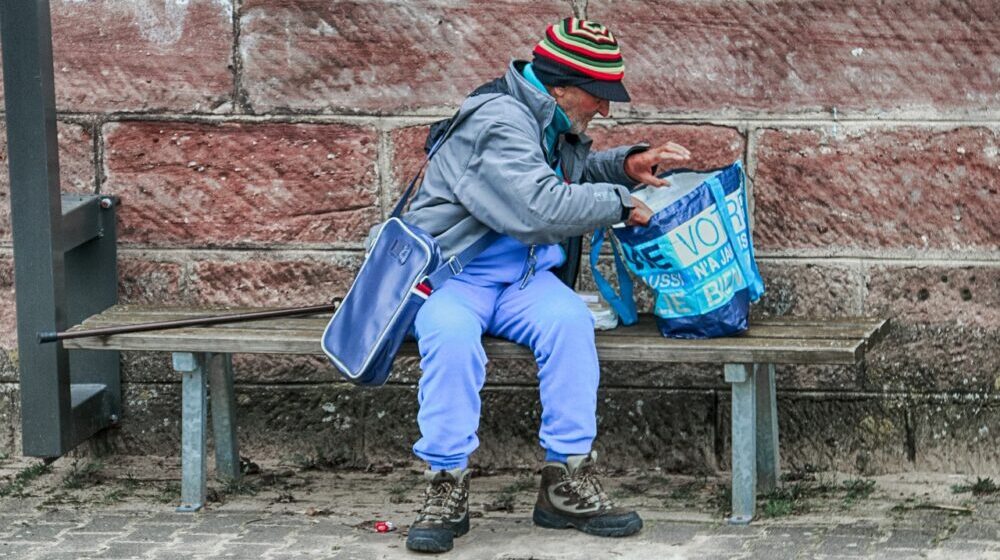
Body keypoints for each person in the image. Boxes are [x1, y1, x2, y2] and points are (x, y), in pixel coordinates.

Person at [401, 17, 691, 554]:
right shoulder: (499, 120)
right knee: (450, 338)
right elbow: (539, 206)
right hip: (456, 276)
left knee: (570, 323)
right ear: (559, 85)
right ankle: (445, 482)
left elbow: (559, 178)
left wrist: (624, 167)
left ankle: (566, 480)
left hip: (524, 276)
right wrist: (622, 204)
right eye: (597, 95)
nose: (604, 108)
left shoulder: (544, 114)